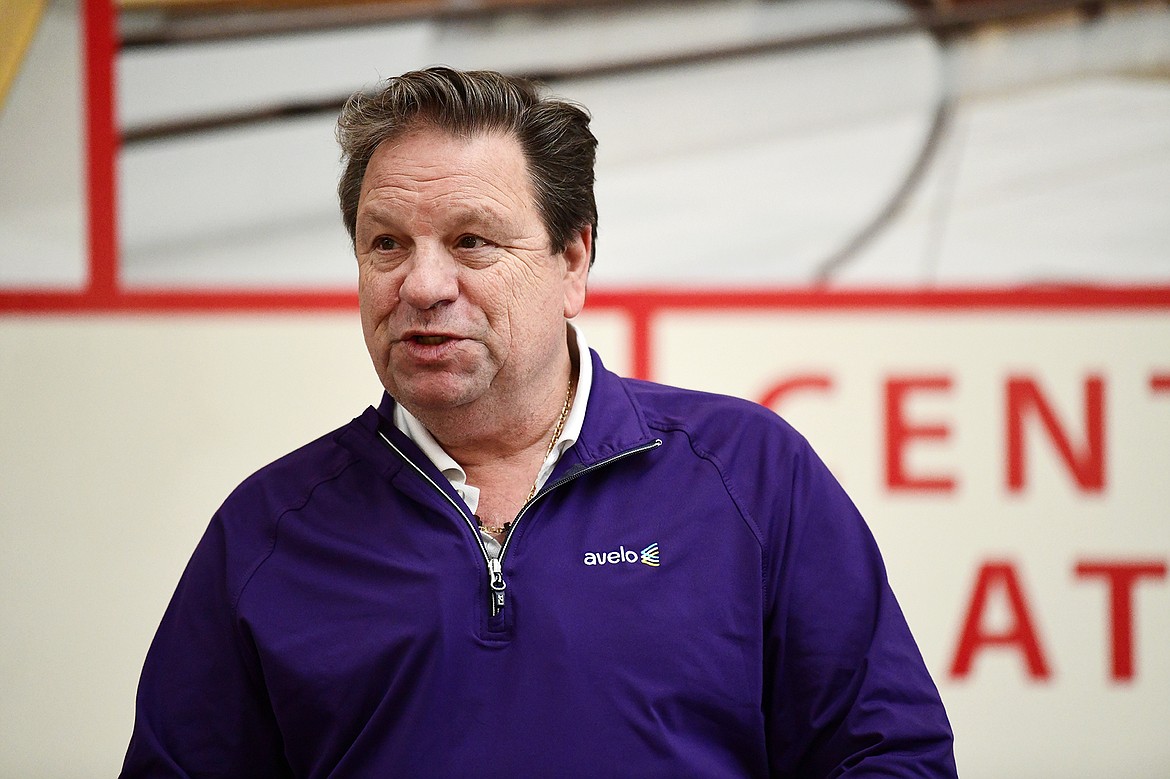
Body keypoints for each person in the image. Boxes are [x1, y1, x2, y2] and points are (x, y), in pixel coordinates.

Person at [120, 66, 956, 778]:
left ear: (574, 259)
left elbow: (891, 754)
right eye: (386, 245)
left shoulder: (750, 476)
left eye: (473, 240)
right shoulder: (268, 533)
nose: (422, 285)